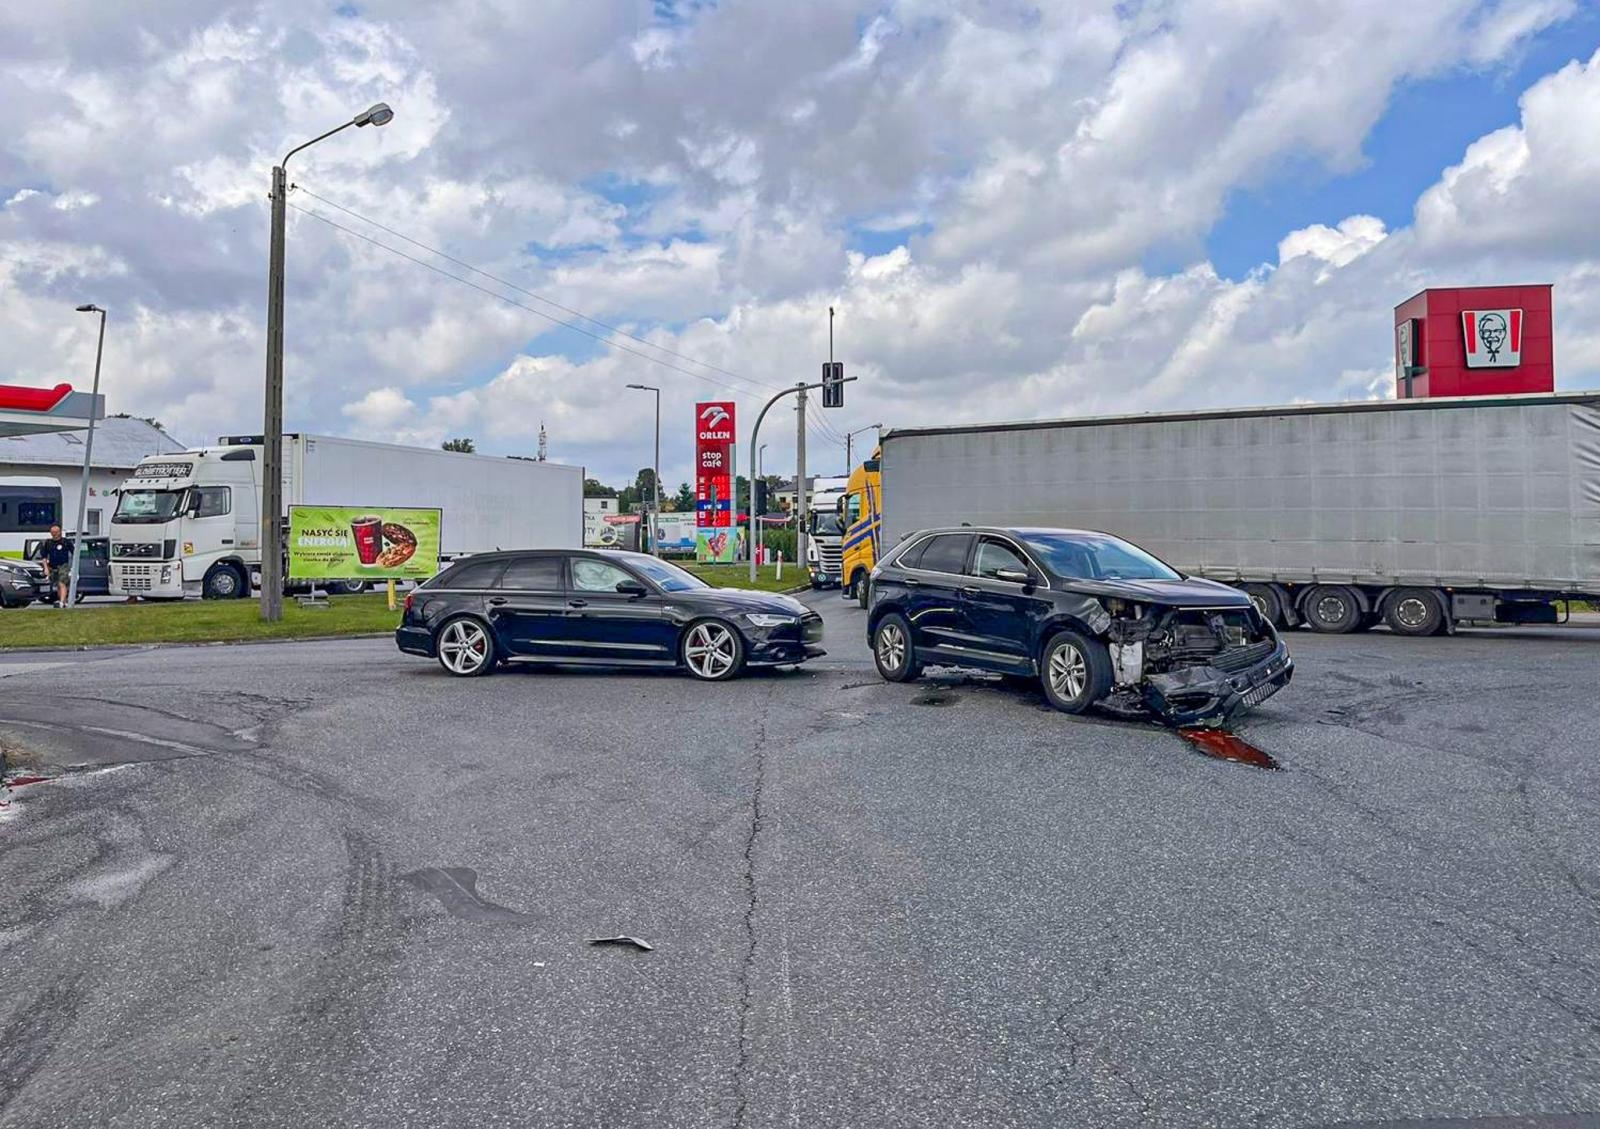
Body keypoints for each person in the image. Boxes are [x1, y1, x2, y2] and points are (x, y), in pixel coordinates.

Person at [39, 525, 73, 607]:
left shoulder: (66, 542)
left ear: (60, 532)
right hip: (53, 566)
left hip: (64, 566)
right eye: (52, 532)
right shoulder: (48, 543)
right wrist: (46, 568)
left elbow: (74, 553)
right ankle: (63, 602)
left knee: (62, 583)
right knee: (58, 585)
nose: (54, 534)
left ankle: (61, 602)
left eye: (56, 532)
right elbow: (44, 557)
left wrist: (73, 568)